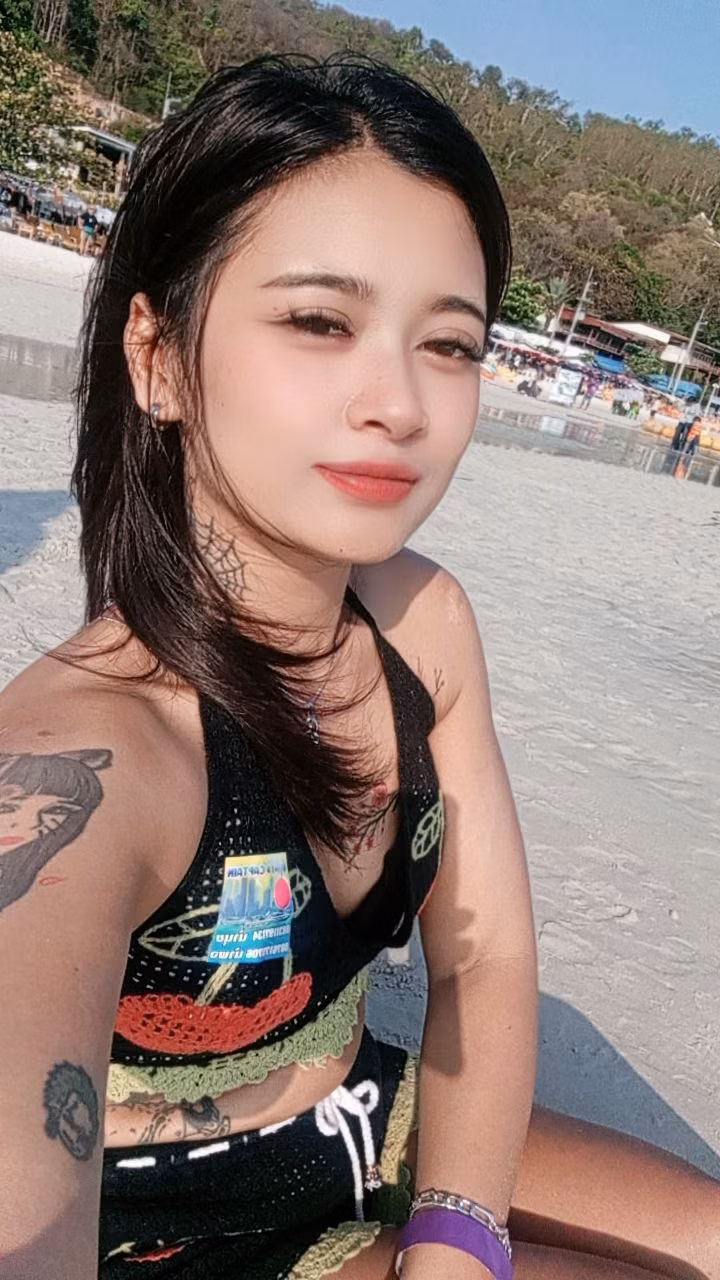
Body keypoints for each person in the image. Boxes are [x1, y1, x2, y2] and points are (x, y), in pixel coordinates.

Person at [1, 55, 718, 1280]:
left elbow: (485, 954)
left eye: (449, 343)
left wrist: (458, 1230)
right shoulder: (88, 761)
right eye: (320, 322)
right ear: (157, 355)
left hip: (359, 1109)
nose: (400, 403)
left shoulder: (421, 625)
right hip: (154, 1225)